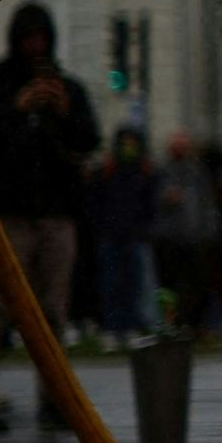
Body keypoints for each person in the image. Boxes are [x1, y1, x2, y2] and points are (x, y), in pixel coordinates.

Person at [0, 3, 98, 435]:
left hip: (57, 214)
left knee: (54, 313)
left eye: (42, 38)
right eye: (29, 39)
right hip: (11, 214)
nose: (35, 47)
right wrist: (17, 110)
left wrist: (60, 110)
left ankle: (53, 398)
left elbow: (87, 139)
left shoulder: (67, 88)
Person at [151, 131, 222, 335]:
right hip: (169, 239)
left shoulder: (197, 173)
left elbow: (207, 205)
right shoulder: (162, 173)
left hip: (194, 238)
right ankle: (171, 323)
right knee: (169, 286)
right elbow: (154, 204)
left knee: (196, 284)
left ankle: (194, 324)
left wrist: (210, 233)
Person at [87, 125, 156, 341]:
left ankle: (130, 326)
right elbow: (95, 204)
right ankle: (112, 327)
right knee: (112, 285)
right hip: (112, 237)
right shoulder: (107, 172)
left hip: (133, 237)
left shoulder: (143, 172)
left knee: (132, 285)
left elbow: (148, 206)